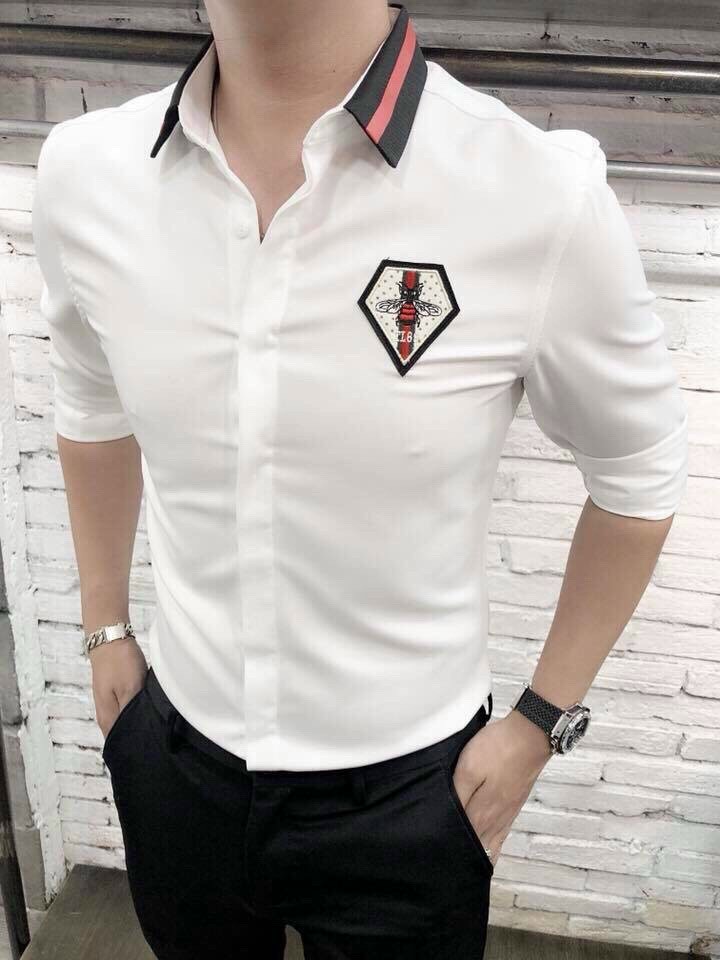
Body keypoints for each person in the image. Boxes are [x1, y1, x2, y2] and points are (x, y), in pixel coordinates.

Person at [31, 2, 688, 958]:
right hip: (176, 758)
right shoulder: (89, 173)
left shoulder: (531, 190)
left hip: (410, 799)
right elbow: (90, 404)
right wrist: (104, 630)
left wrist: (539, 724)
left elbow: (638, 471)